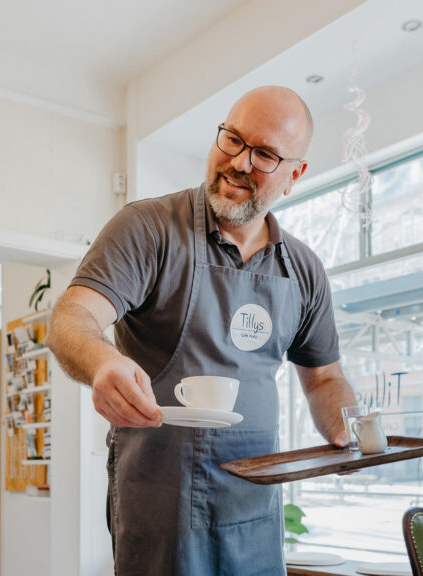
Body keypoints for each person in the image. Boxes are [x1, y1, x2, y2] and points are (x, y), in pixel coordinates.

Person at [47, 86, 357, 575]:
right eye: (232, 139)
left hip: (253, 503)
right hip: (160, 496)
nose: (239, 161)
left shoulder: (303, 269)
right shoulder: (147, 229)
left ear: (295, 174)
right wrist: (103, 362)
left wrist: (349, 429)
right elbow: (71, 319)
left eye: (266, 155)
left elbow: (323, 379)